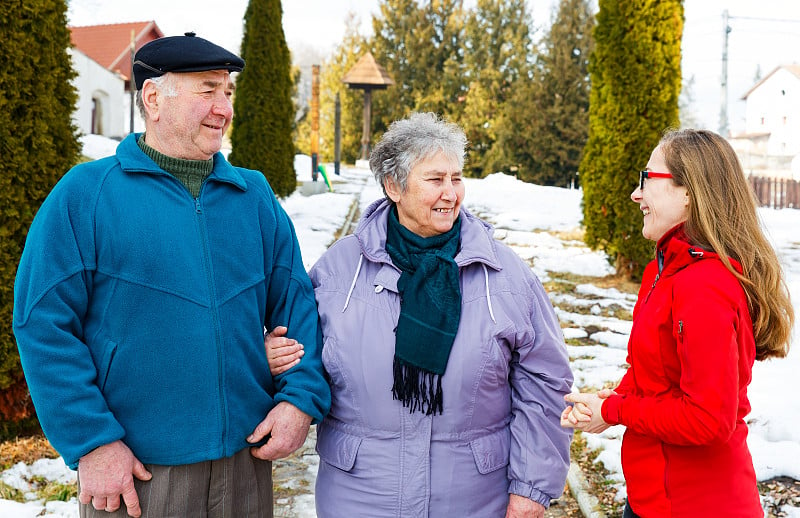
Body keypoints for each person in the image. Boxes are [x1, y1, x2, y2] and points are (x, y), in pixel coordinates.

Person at [13, 33, 330, 518]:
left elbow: (298, 304)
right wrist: (93, 442)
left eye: (227, 92)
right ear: (154, 98)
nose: (223, 108)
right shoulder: (86, 195)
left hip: (245, 464)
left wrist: (299, 401)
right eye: (208, 90)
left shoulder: (255, 197)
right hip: (137, 474)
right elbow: (42, 324)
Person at [266, 112, 574, 517]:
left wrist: (531, 488)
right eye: (435, 180)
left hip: (474, 498)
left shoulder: (504, 275)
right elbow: (304, 353)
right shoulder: (341, 268)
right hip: (360, 496)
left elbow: (545, 384)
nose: (451, 193)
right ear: (393, 186)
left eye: (457, 178)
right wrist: (276, 355)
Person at [561, 129, 794, 517]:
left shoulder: (705, 286)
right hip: (652, 496)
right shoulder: (663, 270)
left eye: (647, 179)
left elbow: (709, 419)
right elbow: (655, 374)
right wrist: (609, 400)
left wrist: (618, 411)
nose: (637, 194)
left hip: (699, 504)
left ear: (688, 192)